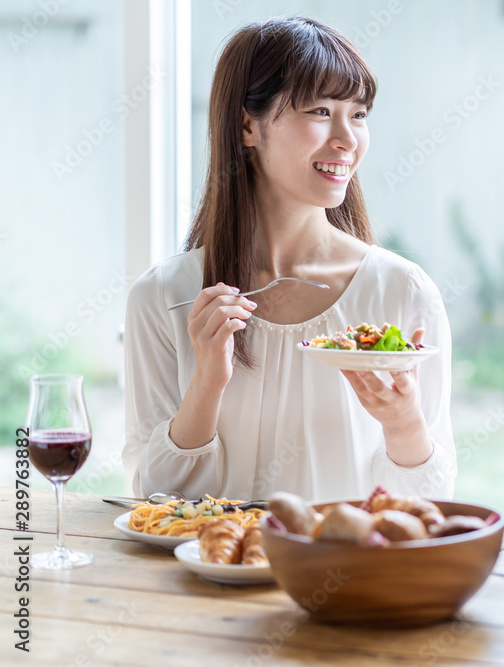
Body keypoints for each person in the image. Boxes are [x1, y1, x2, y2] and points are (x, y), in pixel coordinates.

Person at [122, 17, 455, 502]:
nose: (347, 139)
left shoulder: (402, 291)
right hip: (210, 574)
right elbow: (155, 502)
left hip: (349, 574)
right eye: (320, 111)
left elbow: (433, 503)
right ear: (247, 126)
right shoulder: (163, 297)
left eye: (358, 114)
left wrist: (403, 424)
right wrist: (207, 384)